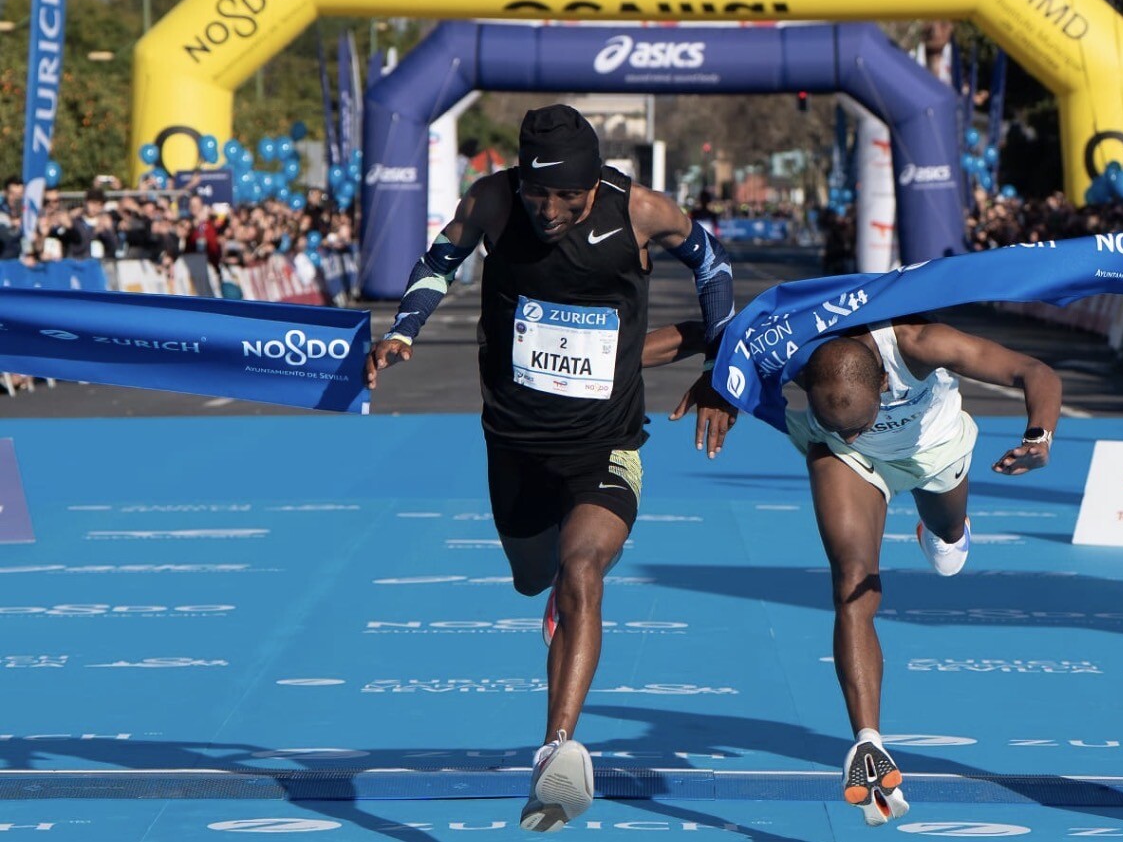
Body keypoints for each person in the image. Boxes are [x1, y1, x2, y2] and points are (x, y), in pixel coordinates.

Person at [364, 104, 737, 833]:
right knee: (536, 574)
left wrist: (723, 364)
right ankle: (555, 594)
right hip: (515, 442)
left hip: (606, 443)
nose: (552, 210)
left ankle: (556, 750)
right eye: (540, 194)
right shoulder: (493, 201)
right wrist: (404, 330)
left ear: (596, 182)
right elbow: (440, 260)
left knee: (582, 569)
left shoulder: (642, 210)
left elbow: (713, 262)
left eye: (570, 196)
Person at [643, 313, 1061, 826]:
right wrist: (715, 376)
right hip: (844, 458)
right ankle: (868, 742)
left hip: (932, 449)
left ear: (883, 381)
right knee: (852, 584)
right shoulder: (794, 354)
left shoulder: (920, 343)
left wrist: (1040, 436)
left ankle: (945, 529)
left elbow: (1034, 371)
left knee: (949, 549)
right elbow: (712, 330)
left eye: (859, 420)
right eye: (839, 418)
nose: (856, 427)